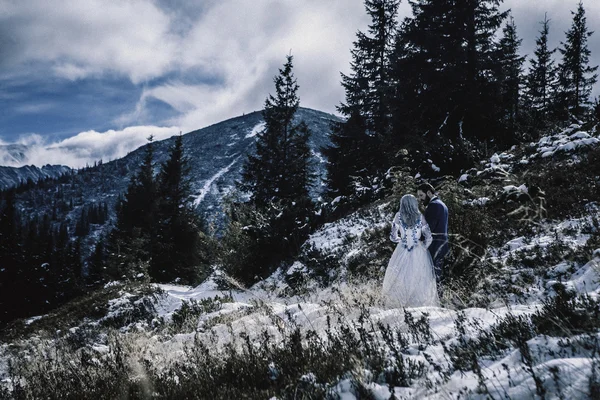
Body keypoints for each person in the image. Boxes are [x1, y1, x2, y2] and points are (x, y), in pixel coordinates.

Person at [382, 194, 439, 308]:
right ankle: (418, 305)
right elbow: (429, 237)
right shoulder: (420, 216)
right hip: (418, 250)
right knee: (418, 276)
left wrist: (401, 240)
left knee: (400, 275)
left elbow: (392, 236)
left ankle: (397, 304)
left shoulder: (398, 216)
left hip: (402, 249)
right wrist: (423, 248)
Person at [416, 183, 449, 287]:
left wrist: (416, 238)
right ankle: (439, 300)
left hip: (434, 246)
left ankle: (434, 301)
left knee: (432, 277)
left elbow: (428, 230)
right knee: (437, 276)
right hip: (441, 245)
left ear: (429, 193)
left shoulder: (433, 205)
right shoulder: (441, 204)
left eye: (421, 195)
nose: (420, 199)